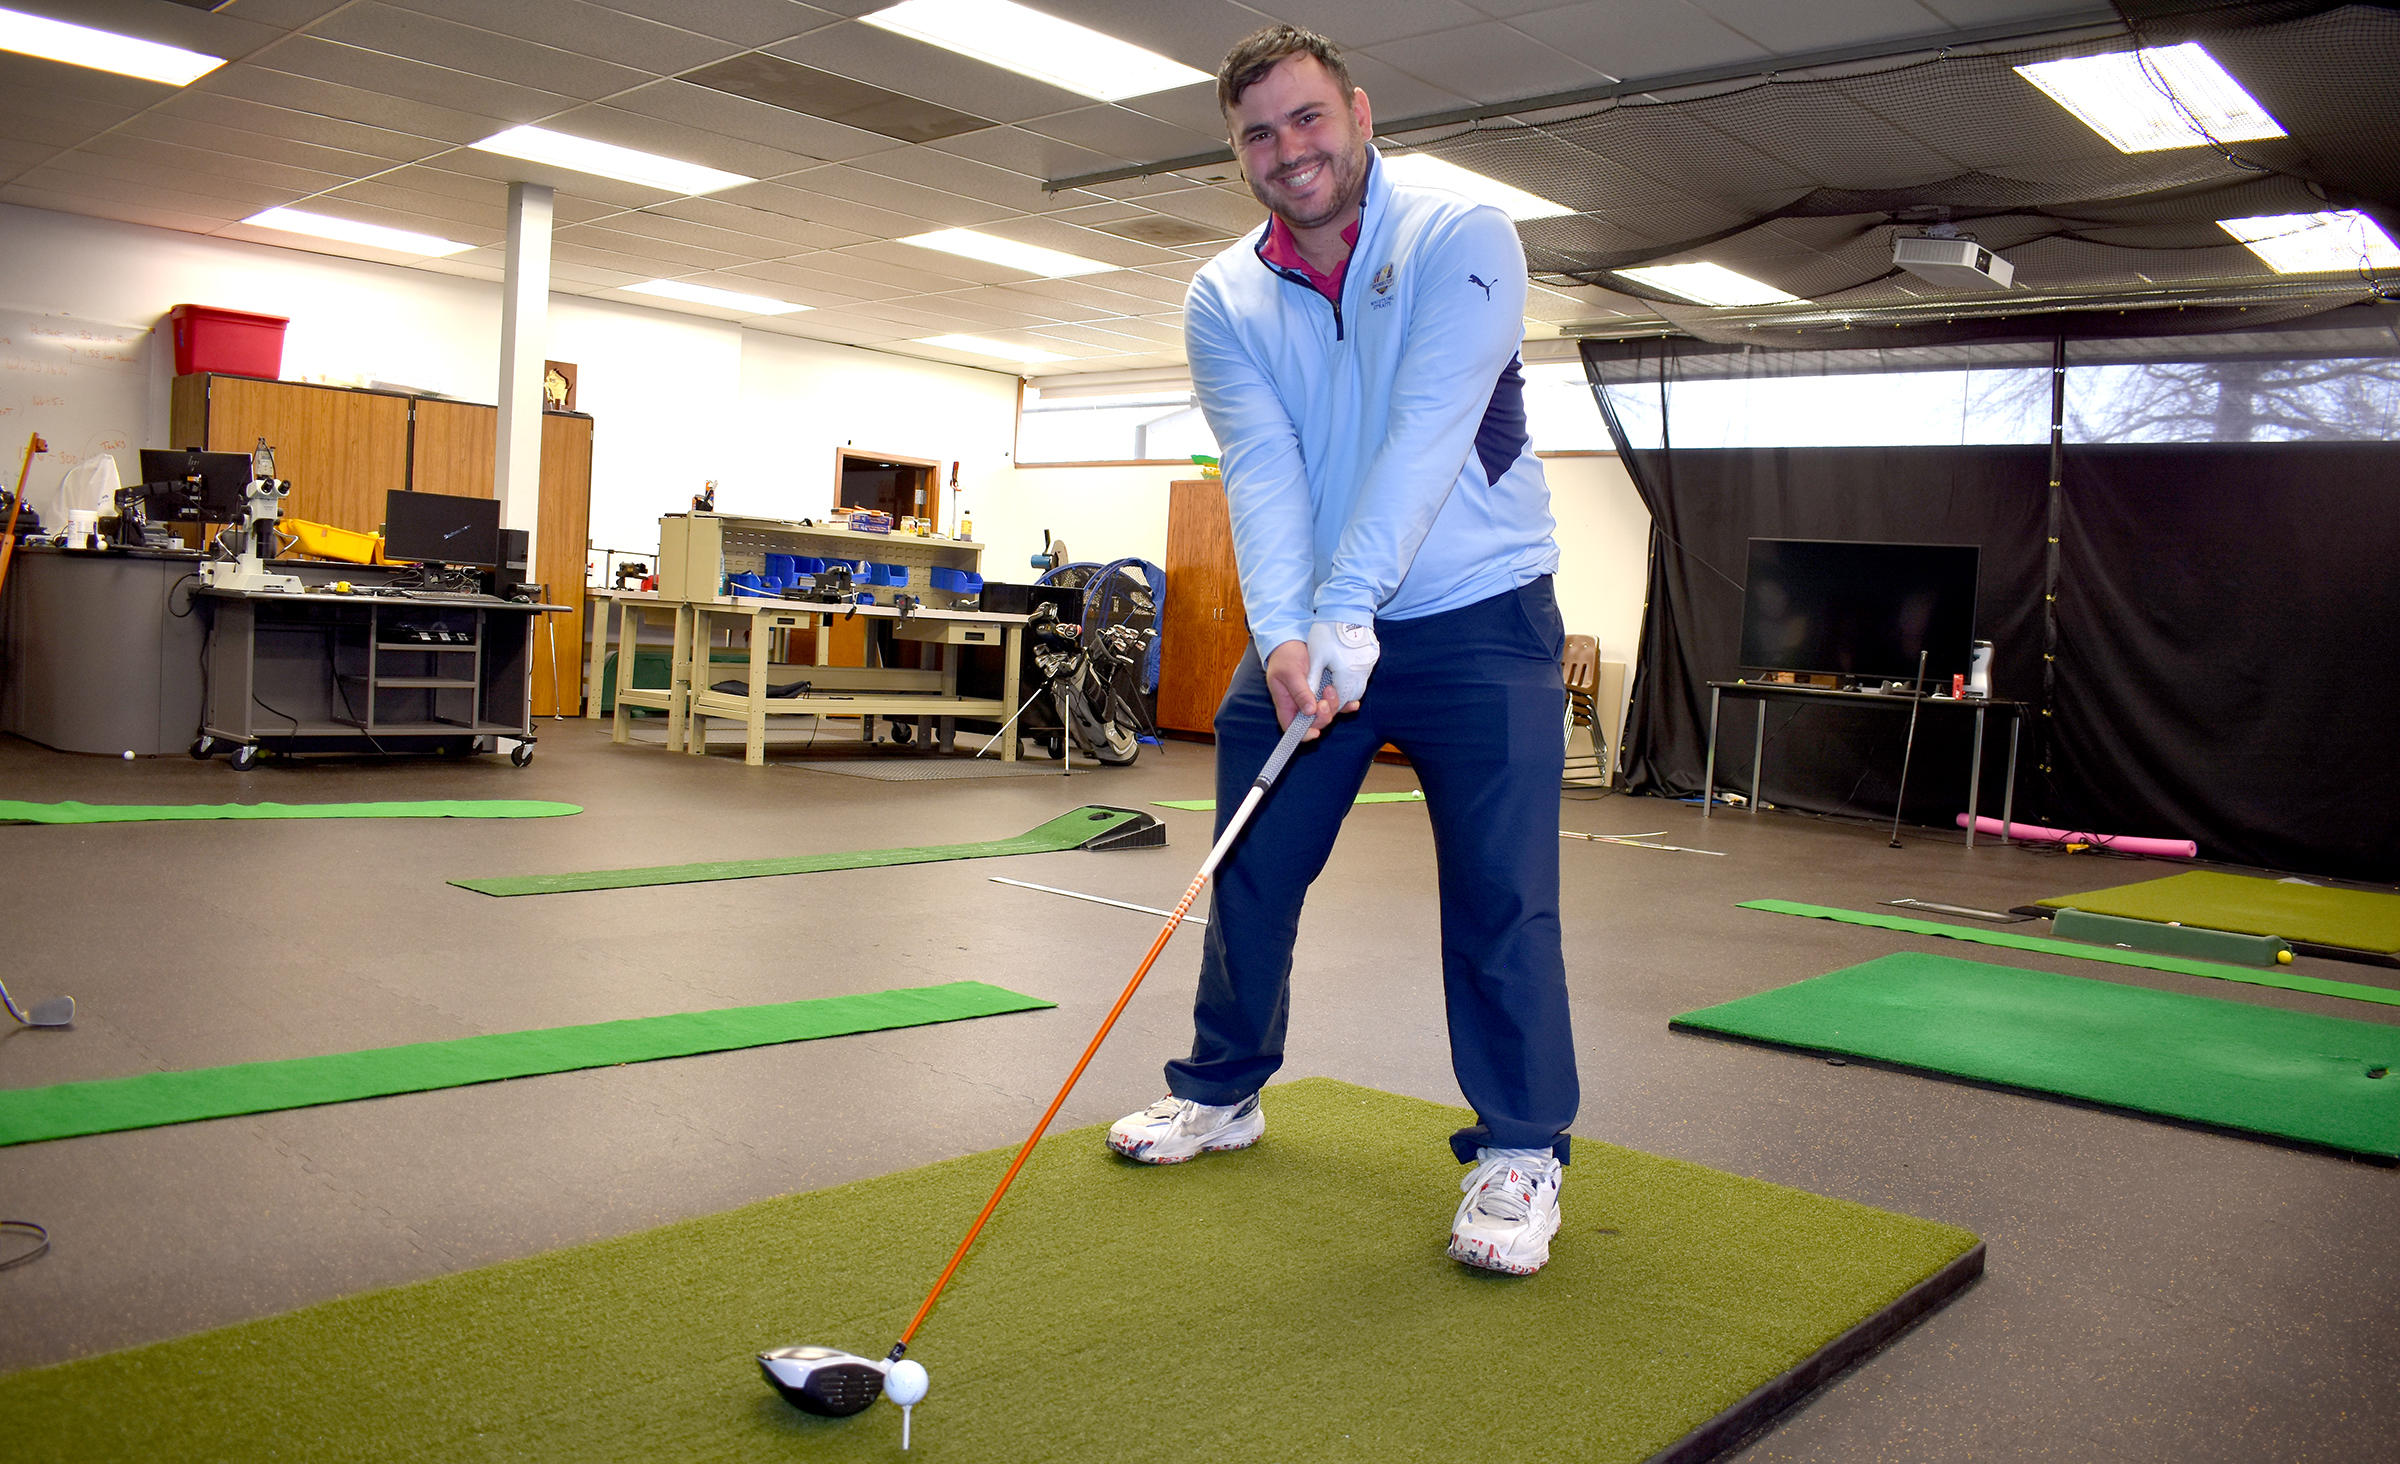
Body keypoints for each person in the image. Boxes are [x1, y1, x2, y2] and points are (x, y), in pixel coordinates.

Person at [1107, 25, 1577, 1276]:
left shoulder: (1462, 239)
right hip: (1317, 624)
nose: (1289, 150)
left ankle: (1522, 1151)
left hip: (1483, 610)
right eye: (1259, 133)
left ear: (1359, 113)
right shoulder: (1224, 295)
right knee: (1248, 866)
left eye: (1308, 119)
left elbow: (1429, 434)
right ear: (1237, 154)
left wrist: (1351, 607)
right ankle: (1223, 1087)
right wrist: (1285, 639)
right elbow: (1262, 473)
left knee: (1500, 892)